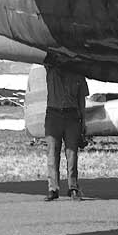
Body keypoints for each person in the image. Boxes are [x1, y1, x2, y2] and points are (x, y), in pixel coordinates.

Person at [42, 65, 88, 202]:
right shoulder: (51, 68)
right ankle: (53, 188)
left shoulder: (78, 72)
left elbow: (81, 100)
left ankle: (73, 187)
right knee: (52, 153)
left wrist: (83, 121)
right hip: (53, 113)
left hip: (72, 115)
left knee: (72, 153)